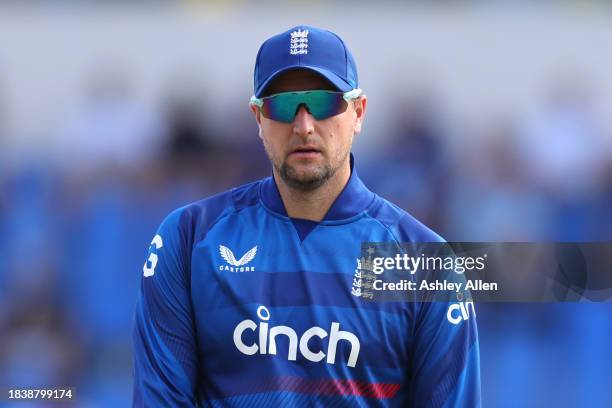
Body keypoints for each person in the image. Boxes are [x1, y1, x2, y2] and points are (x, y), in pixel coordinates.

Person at [133, 25, 481, 407]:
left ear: (358, 112)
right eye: (283, 105)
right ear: (258, 118)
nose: (304, 126)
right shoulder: (189, 239)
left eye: (324, 102)